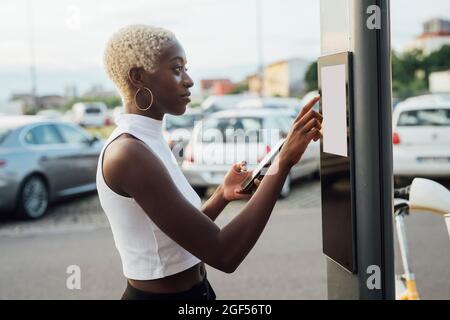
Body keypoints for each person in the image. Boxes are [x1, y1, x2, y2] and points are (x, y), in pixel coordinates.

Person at [98, 24, 323, 300]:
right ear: (138, 78)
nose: (189, 80)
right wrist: (282, 163)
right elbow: (224, 253)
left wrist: (221, 195)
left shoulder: (150, 140)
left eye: (186, 68)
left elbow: (181, 238)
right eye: (176, 68)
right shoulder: (128, 154)